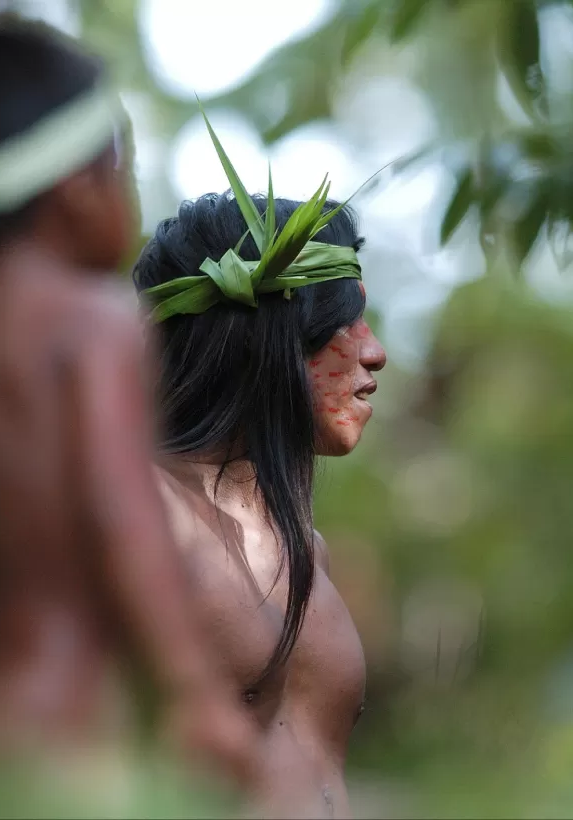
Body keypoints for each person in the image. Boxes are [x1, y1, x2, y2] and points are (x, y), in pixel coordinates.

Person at [0, 13, 258, 799]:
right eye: (122, 156)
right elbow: (117, 510)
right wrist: (195, 694)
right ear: (76, 186)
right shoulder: (91, 321)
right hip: (70, 737)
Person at [130, 136, 388, 818]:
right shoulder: (140, 516)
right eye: (342, 322)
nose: (375, 351)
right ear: (272, 340)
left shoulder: (308, 548)